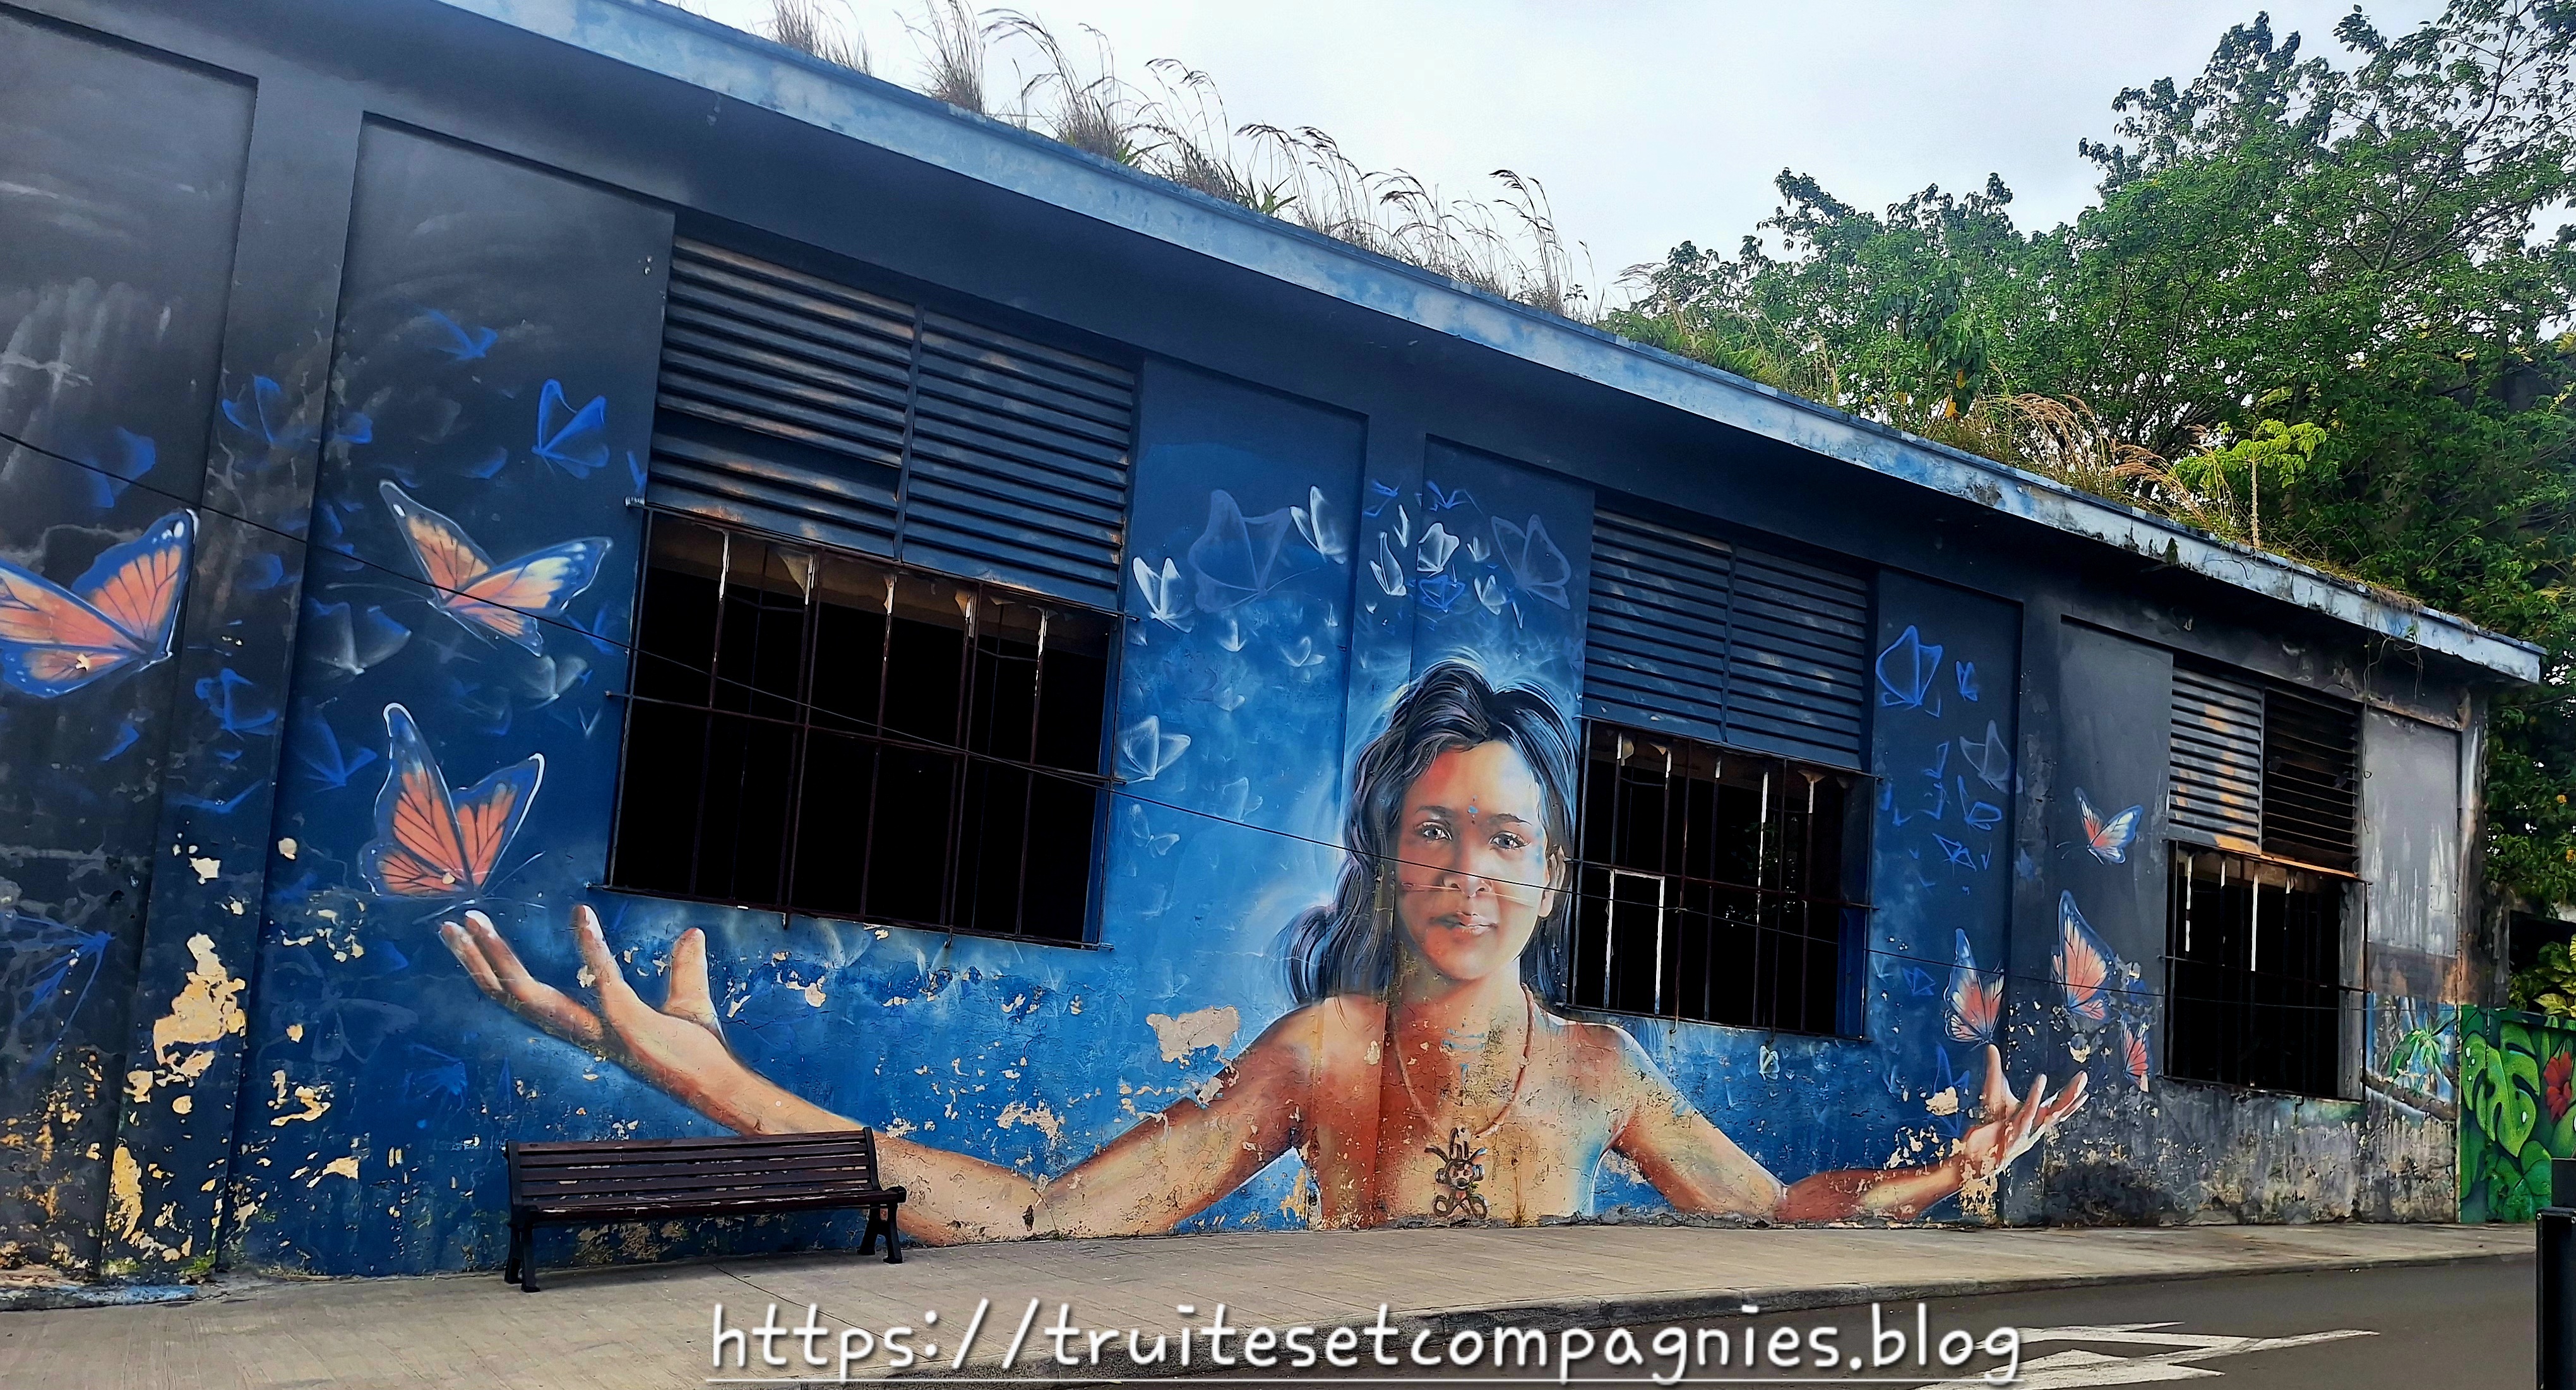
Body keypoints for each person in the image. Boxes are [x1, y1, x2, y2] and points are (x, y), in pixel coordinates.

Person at [444, 660, 2083, 1243]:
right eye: (1431, 831)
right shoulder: (1325, 1059)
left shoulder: (1602, 1072)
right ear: (1386, 856)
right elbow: (1050, 1218)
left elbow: (1770, 1211)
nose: (1465, 870)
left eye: (1503, 837)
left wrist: (1945, 1175)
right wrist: (723, 1083)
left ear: (1552, 876)